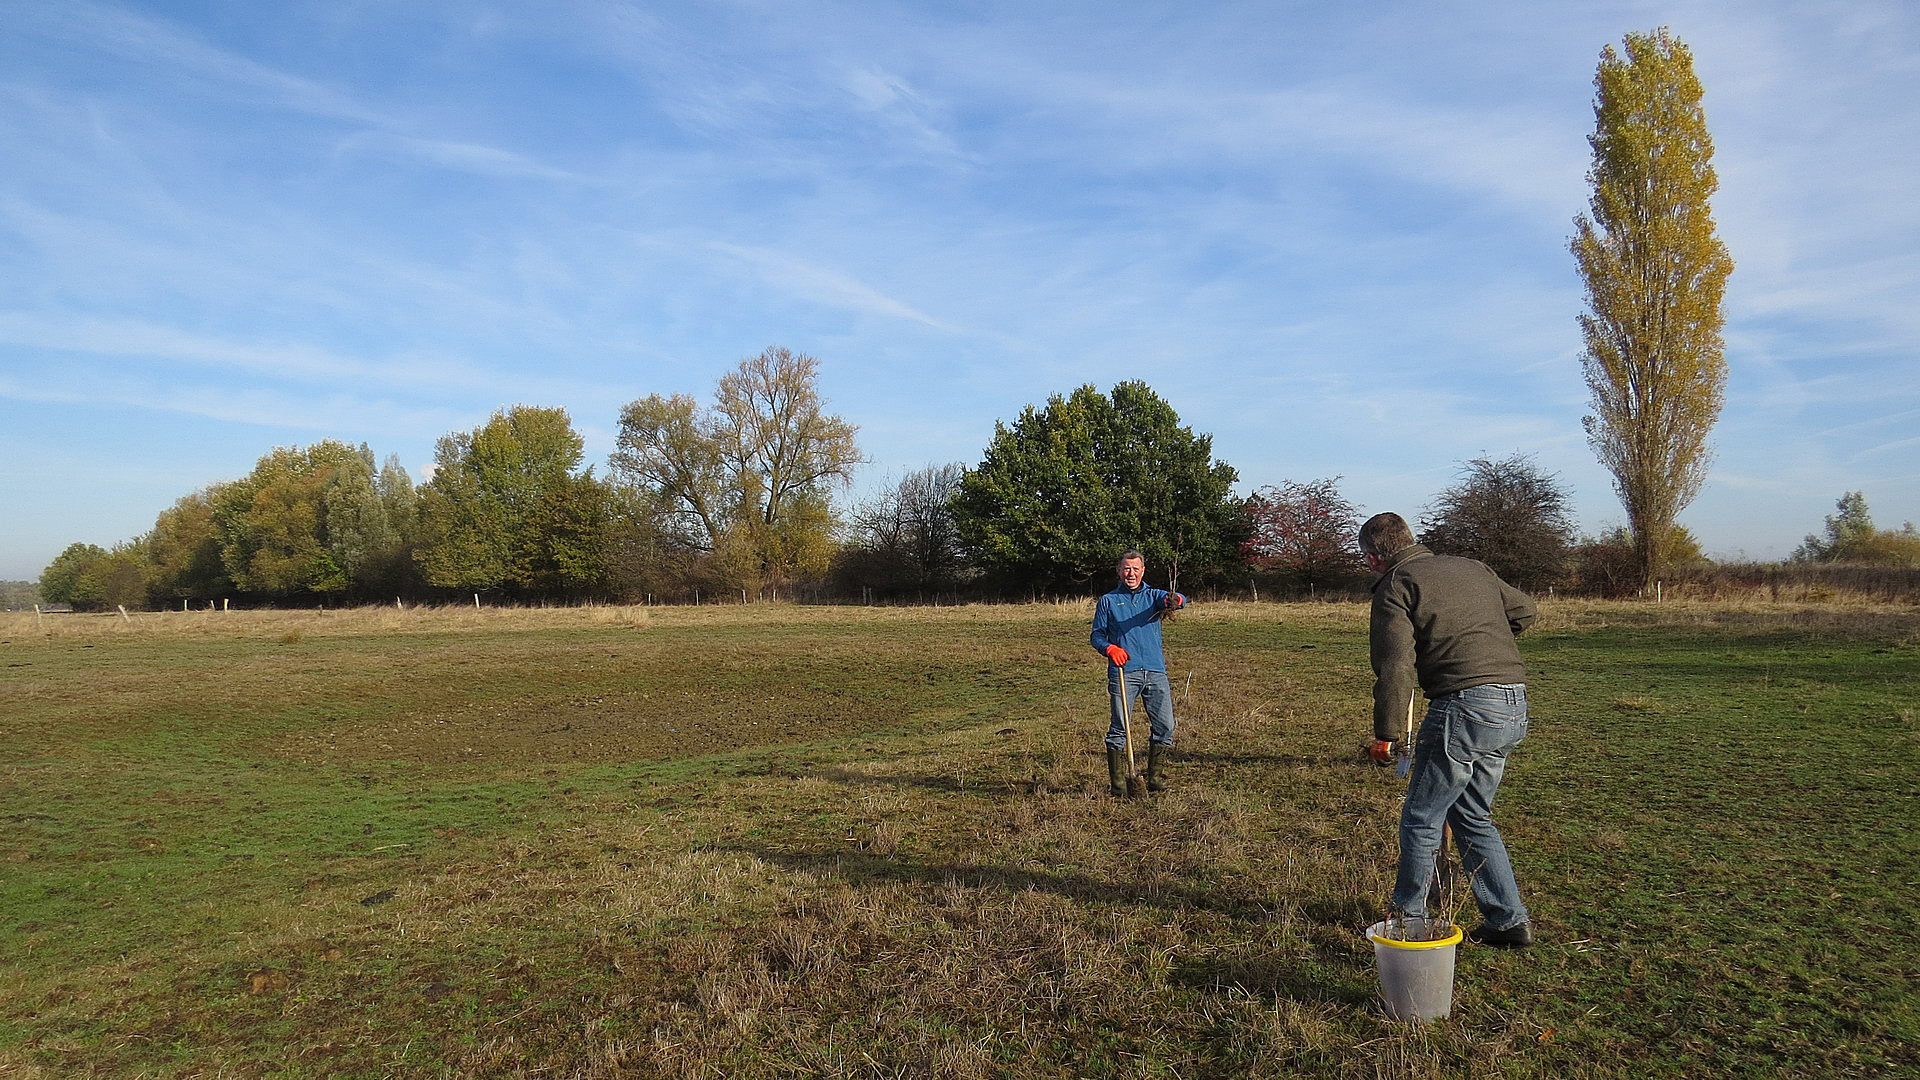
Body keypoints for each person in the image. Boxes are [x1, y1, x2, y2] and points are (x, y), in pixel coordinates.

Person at [1360, 512, 1537, 948]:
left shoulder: (1396, 585)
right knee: (1472, 814)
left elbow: (1395, 666)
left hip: (1463, 707)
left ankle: (1409, 918)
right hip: (1513, 703)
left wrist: (1387, 733)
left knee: (1422, 818)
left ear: (1372, 558)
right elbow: (1525, 612)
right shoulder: (1471, 567)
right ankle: (1508, 921)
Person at [1089, 550, 1185, 796]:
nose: (1131, 573)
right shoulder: (1108, 601)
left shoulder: (1153, 596)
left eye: (1135, 569)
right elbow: (1097, 635)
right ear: (1119, 571)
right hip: (1124, 672)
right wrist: (1109, 648)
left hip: (1155, 671)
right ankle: (1120, 785)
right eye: (1126, 569)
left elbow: (1175, 599)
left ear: (1143, 571)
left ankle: (1154, 778)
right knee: (1120, 728)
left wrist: (1176, 600)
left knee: (1165, 726)